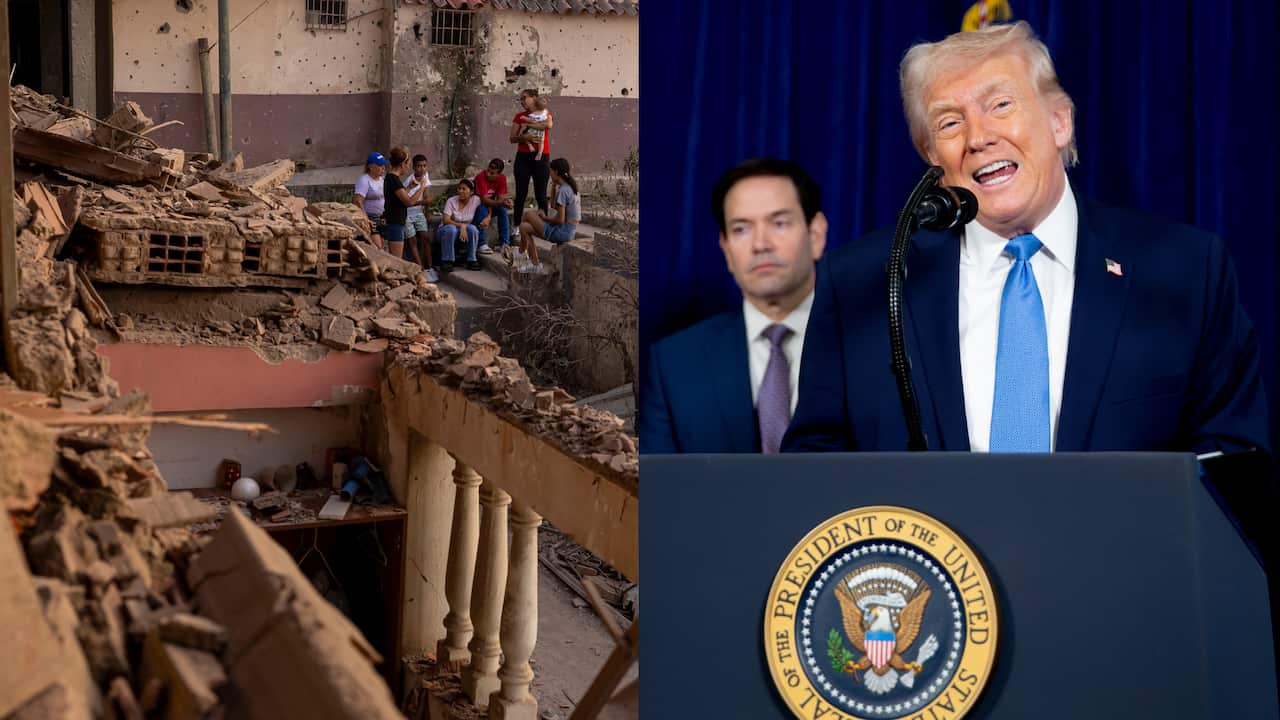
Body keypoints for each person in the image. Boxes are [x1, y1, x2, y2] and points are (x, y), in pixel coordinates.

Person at [784, 21, 1269, 455]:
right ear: (932, 156)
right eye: (950, 123)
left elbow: (1232, 459)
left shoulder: (1186, 270)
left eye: (1000, 105)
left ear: (1060, 122)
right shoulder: (864, 284)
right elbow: (817, 461)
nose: (978, 137)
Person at [639, 158, 827, 454]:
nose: (760, 244)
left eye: (779, 223)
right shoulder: (674, 365)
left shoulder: (877, 351)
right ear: (726, 249)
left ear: (815, 234)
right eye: (741, 229)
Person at [515, 158, 580, 274]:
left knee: (528, 214)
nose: (549, 174)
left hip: (561, 232)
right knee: (524, 227)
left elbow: (560, 220)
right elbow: (554, 206)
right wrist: (553, 187)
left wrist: (544, 218)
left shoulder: (564, 190)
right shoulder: (568, 187)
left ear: (556, 172)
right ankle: (534, 264)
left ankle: (521, 251)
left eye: (551, 171)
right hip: (567, 231)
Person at [510, 88, 553, 240]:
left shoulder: (544, 113)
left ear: (534, 98)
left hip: (541, 157)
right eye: (520, 99)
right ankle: (515, 226)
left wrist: (531, 126)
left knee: (540, 193)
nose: (522, 102)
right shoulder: (519, 116)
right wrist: (525, 137)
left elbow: (548, 126)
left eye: (525, 98)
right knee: (521, 194)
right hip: (523, 157)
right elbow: (512, 138)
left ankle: (544, 227)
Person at [381, 147, 426, 259]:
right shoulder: (393, 179)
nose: (408, 167)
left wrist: (410, 187)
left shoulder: (391, 178)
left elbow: (399, 196)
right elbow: (409, 202)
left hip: (395, 221)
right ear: (402, 164)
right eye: (408, 164)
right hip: (395, 222)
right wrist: (422, 187)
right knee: (396, 259)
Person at [404, 154, 438, 281]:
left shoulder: (425, 177)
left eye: (424, 166)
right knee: (412, 241)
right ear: (413, 167)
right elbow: (409, 202)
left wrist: (427, 212)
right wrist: (420, 202)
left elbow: (427, 197)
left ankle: (429, 267)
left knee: (425, 238)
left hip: (418, 213)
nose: (422, 169)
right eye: (419, 166)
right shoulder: (409, 180)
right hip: (407, 214)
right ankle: (420, 268)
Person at [438, 179, 483, 272]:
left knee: (473, 229)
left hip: (463, 232)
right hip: (445, 231)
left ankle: (472, 260)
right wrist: (462, 225)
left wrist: (488, 216)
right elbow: (446, 220)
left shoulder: (476, 200)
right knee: (451, 229)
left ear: (471, 192)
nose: (460, 191)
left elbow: (488, 203)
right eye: (459, 188)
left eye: (464, 189)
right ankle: (447, 261)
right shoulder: (451, 201)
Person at [473, 158, 513, 257]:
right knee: (482, 209)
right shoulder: (480, 177)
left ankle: (504, 244)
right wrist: (489, 215)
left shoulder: (502, 179)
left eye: (492, 173)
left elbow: (499, 200)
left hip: (490, 205)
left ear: (499, 174)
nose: (488, 174)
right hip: (477, 206)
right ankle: (481, 244)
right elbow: (484, 200)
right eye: (488, 171)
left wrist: (505, 202)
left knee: (502, 211)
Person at [353, 152, 387, 249]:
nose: (383, 168)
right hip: (371, 219)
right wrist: (366, 220)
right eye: (380, 165)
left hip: (382, 218)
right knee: (377, 247)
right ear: (371, 167)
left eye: (384, 165)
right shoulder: (364, 180)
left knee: (382, 246)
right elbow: (357, 202)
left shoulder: (382, 180)